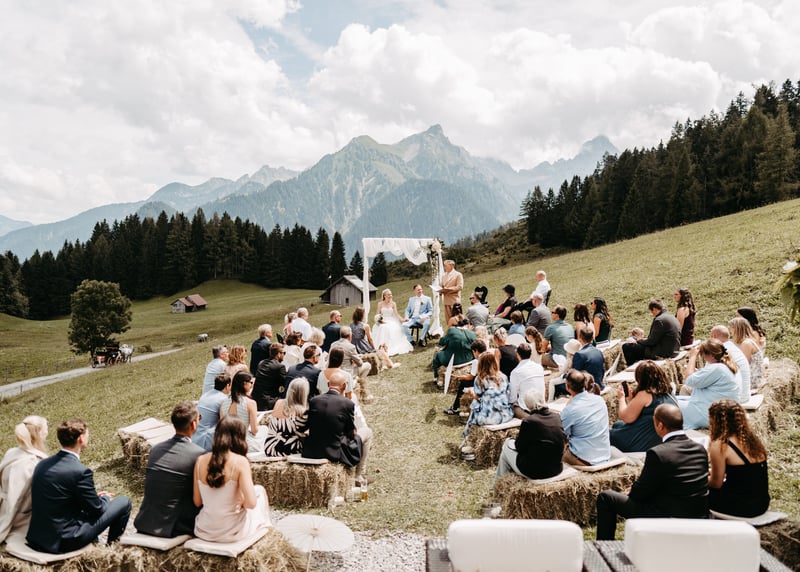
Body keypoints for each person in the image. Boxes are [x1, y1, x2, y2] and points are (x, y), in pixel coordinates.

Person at [595, 404, 709, 540]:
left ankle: (604, 545)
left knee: (606, 498)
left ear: (660, 425)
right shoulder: (700, 449)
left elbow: (640, 493)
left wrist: (630, 491)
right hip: (697, 515)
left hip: (667, 518)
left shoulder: (658, 453)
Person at [27, 419, 132, 553]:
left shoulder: (42, 464)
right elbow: (97, 510)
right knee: (124, 502)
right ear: (81, 439)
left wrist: (92, 497)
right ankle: (111, 551)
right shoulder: (80, 471)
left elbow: (61, 495)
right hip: (65, 540)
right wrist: (104, 498)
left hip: (38, 538)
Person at [193, 417, 271, 543]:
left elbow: (197, 501)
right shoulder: (240, 462)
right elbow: (251, 504)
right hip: (233, 531)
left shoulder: (200, 461)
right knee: (260, 491)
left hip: (204, 530)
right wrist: (239, 501)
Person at [134, 402, 204, 538]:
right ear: (193, 424)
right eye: (199, 418)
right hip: (174, 527)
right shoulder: (198, 455)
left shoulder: (155, 449)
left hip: (145, 521)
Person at [303, 370, 373, 485]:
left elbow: (308, 425)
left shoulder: (314, 401)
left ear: (328, 385)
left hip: (313, 450)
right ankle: (359, 475)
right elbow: (351, 432)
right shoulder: (347, 404)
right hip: (335, 451)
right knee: (368, 432)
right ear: (344, 386)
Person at [707, 399, 770, 517]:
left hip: (741, 506)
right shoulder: (751, 440)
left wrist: (699, 478)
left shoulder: (720, 445)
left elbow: (716, 484)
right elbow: (744, 474)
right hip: (761, 504)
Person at [495, 388, 566, 483]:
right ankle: (503, 484)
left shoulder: (529, 422)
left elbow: (519, 447)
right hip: (556, 469)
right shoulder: (557, 417)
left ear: (527, 405)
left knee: (506, 446)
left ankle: (498, 485)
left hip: (534, 472)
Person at [610, 361, 678, 452]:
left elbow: (626, 417)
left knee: (608, 434)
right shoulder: (669, 392)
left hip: (645, 440)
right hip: (660, 436)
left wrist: (621, 398)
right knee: (617, 424)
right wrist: (631, 399)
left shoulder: (645, 394)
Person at [0, 416, 48, 543]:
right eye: (45, 430)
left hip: (4, 506)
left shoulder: (12, 452)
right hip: (20, 514)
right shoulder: (30, 462)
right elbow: (16, 497)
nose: (47, 433)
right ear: (39, 433)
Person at [680, 339, 740, 430]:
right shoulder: (723, 366)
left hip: (709, 415)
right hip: (720, 413)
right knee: (676, 399)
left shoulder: (717, 368)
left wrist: (693, 357)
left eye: (702, 354)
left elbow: (688, 380)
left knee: (668, 405)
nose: (702, 357)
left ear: (711, 355)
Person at [561, 370, 610, 466]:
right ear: (585, 384)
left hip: (584, 459)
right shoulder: (600, 400)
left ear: (567, 386)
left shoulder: (570, 410)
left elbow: (561, 435)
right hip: (604, 455)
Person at [462, 352, 513, 438]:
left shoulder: (480, 379)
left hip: (487, 418)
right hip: (505, 415)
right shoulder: (503, 377)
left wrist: (471, 392)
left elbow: (478, 396)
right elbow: (507, 392)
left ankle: (468, 435)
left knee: (475, 403)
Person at [220, 371, 268, 454]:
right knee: (265, 429)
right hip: (243, 443)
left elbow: (222, 427)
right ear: (244, 384)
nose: (252, 385)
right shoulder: (250, 403)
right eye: (251, 382)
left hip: (227, 443)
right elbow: (254, 430)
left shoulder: (223, 403)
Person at [621, 299, 681, 365]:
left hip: (663, 352)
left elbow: (651, 341)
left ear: (654, 309)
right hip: (674, 350)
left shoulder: (659, 320)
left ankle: (632, 366)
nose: (652, 314)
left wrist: (638, 341)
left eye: (651, 311)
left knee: (627, 346)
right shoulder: (671, 317)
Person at [263, 378, 310, 457]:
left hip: (270, 447)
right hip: (285, 448)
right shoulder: (302, 411)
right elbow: (303, 432)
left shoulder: (278, 402)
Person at [444, 339, 486, 416]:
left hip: (480, 383)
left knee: (463, 383)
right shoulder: (489, 356)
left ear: (476, 351)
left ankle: (455, 408)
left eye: (473, 352)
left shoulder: (476, 361)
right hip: (488, 380)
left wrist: (461, 377)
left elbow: (470, 377)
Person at [710, 325, 751, 403]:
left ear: (714, 336)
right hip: (744, 395)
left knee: (689, 388)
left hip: (732, 399)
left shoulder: (718, 351)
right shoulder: (733, 348)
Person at [331, 326, 372, 401]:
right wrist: (357, 359)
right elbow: (360, 363)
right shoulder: (351, 347)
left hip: (335, 372)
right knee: (367, 365)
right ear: (350, 335)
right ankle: (360, 384)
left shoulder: (333, 344)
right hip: (347, 372)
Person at [431, 316, 476, 383]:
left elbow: (442, 342)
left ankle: (436, 376)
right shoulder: (472, 334)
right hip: (468, 360)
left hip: (451, 361)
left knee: (437, 354)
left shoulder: (452, 330)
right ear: (469, 325)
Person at [193, 374, 231, 451]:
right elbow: (225, 422)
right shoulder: (223, 399)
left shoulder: (205, 395)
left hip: (195, 437)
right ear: (227, 386)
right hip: (208, 440)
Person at [508, 343, 545, 419]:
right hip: (541, 403)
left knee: (512, 406)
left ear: (518, 355)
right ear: (530, 354)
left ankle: (530, 419)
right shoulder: (539, 367)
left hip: (526, 408)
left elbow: (513, 398)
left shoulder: (516, 372)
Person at [372, 289, 413, 356]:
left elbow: (396, 314)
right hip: (383, 320)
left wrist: (402, 320)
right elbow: (377, 314)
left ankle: (390, 346)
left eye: (391, 294)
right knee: (382, 327)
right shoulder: (380, 304)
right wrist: (379, 320)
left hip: (391, 320)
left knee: (391, 327)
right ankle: (381, 347)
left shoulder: (393, 303)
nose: (390, 296)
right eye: (388, 295)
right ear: (384, 296)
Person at [728, 317, 765, 390]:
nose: (730, 331)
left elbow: (743, 365)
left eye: (731, 328)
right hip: (754, 377)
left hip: (752, 380)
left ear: (737, 329)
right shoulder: (748, 341)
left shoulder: (746, 344)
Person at [253, 343, 287, 411]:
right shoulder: (280, 366)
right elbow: (285, 383)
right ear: (278, 354)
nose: (284, 355)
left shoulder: (261, 363)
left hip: (256, 398)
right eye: (284, 353)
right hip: (269, 400)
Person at [542, 305, 575, 369]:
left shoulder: (551, 328)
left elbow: (543, 347)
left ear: (557, 315)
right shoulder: (570, 327)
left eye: (552, 312)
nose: (551, 314)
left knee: (539, 357)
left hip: (557, 360)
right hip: (569, 359)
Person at [439, 259, 464, 323]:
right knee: (448, 320)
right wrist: (440, 290)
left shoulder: (458, 275)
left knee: (457, 320)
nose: (444, 267)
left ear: (452, 266)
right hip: (446, 301)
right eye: (444, 266)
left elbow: (460, 286)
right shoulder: (444, 275)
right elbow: (441, 285)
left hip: (454, 301)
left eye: (446, 266)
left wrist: (449, 289)